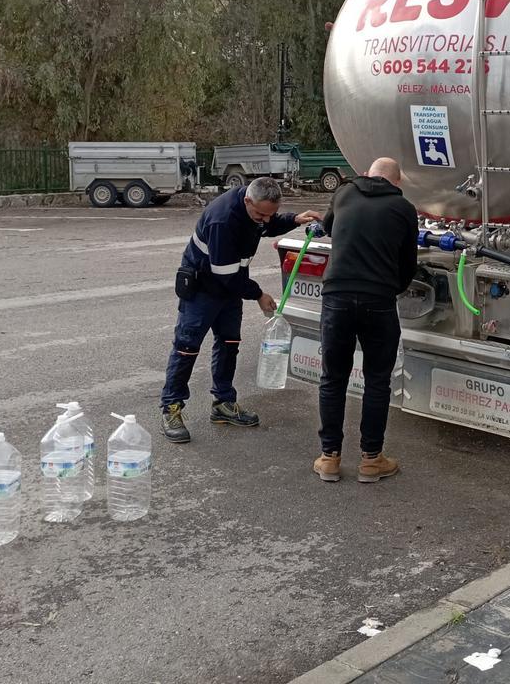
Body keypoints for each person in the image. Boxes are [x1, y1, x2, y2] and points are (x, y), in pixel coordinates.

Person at [160, 176, 320, 443]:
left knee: (229, 343)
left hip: (230, 289)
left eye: (271, 214)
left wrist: (294, 219)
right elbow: (225, 274)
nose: (266, 220)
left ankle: (223, 403)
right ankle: (171, 408)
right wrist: (258, 294)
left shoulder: (255, 211)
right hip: (204, 289)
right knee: (187, 347)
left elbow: (266, 226)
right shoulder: (223, 220)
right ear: (247, 200)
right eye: (261, 214)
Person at [313, 157, 418, 483]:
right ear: (396, 183)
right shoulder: (404, 209)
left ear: (366, 176)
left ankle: (329, 457)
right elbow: (408, 264)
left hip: (337, 297)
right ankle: (372, 460)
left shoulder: (344, 194)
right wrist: (389, 288)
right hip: (378, 301)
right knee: (376, 381)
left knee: (333, 379)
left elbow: (329, 228)